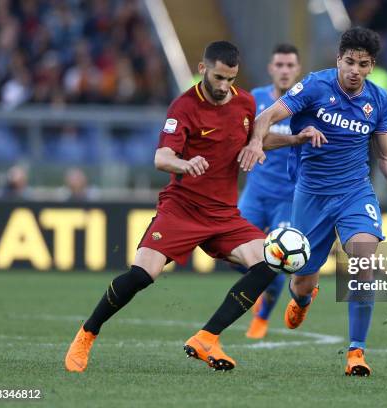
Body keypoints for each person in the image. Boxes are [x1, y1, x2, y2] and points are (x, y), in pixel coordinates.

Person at [64, 41, 321, 373]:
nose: (224, 86)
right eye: (218, 78)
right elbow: (161, 158)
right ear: (203, 70)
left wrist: (293, 140)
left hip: (224, 215)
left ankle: (207, 338)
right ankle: (87, 334)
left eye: (230, 79)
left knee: (268, 262)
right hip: (181, 210)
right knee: (142, 275)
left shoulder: (244, 103)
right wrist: (185, 164)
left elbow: (255, 136)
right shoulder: (184, 106)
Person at [240, 27, 387, 376]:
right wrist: (256, 143)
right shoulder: (315, 86)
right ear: (338, 60)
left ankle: (356, 352)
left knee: (363, 259)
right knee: (302, 282)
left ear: (371, 66)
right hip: (311, 195)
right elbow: (267, 116)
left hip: (355, 193)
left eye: (362, 64)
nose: (354, 70)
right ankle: (302, 298)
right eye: (349, 62)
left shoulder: (378, 100)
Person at [239, 44, 302, 339]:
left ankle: (262, 315)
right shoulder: (256, 99)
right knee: (235, 254)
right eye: (280, 65)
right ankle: (259, 294)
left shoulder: (307, 103)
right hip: (256, 191)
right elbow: (248, 136)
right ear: (271, 68)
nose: (285, 70)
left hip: (288, 198)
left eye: (290, 65)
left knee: (277, 260)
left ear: (297, 70)